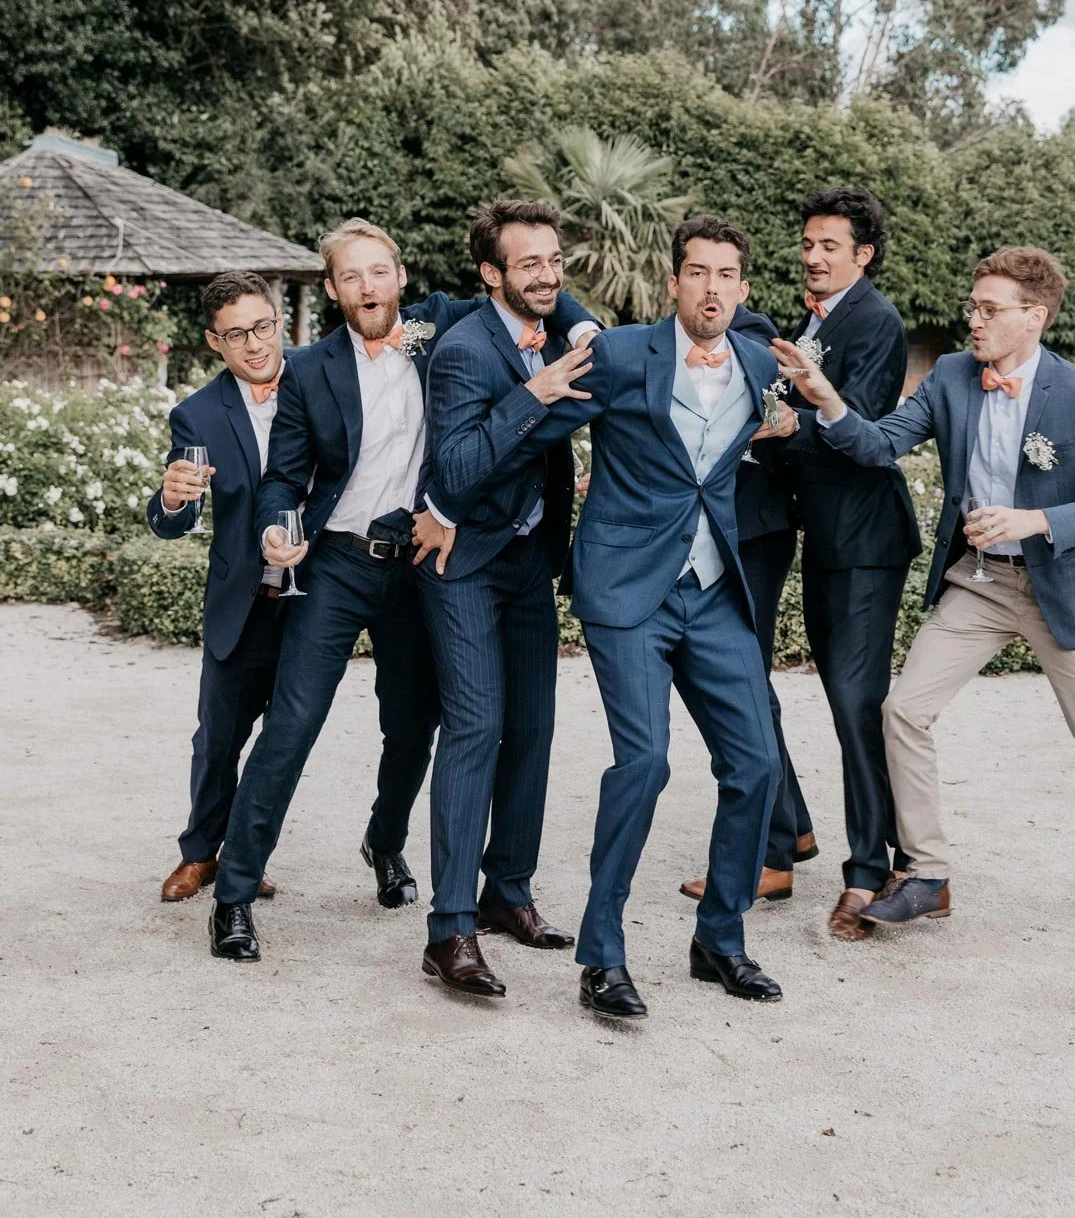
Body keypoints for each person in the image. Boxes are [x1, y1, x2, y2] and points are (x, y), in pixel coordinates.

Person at [773, 244, 1075, 959]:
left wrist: (1037, 521)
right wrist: (826, 399)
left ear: (1034, 317)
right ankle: (928, 873)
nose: (974, 319)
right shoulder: (954, 377)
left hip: (1056, 588)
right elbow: (877, 446)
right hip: (980, 583)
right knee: (903, 712)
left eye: (990, 310)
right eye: (973, 305)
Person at [208, 218, 593, 963]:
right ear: (332, 289)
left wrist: (587, 326)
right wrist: (274, 528)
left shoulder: (441, 326)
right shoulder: (310, 370)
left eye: (378, 272)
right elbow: (285, 474)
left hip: (420, 566)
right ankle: (233, 892)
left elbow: (541, 292)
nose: (367, 288)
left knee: (416, 729)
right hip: (338, 567)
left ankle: (385, 843)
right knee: (291, 726)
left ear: (401, 276)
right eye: (350, 277)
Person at [441, 214, 789, 1020]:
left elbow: (768, 435)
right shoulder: (626, 353)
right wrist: (454, 505)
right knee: (645, 763)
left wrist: (798, 421)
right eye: (696, 272)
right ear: (674, 282)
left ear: (743, 286)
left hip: (713, 591)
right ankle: (602, 957)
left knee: (757, 766)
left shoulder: (761, 360)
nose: (711, 289)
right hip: (628, 593)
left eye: (726, 275)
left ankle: (720, 941)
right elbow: (535, 428)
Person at [411, 200, 597, 997]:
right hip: (463, 561)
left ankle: (507, 891)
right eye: (530, 264)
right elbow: (452, 471)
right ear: (491, 274)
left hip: (529, 556)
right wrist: (534, 399)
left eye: (554, 259)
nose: (548, 274)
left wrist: (562, 373)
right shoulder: (462, 351)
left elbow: (585, 404)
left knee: (532, 726)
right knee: (476, 726)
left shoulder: (557, 330)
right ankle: (448, 929)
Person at [776, 187, 921, 942]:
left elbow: (853, 422)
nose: (813, 256)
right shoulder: (817, 317)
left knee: (856, 707)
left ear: (862, 255)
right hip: (827, 538)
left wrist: (771, 426)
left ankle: (872, 872)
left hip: (865, 543)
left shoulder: (879, 321)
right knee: (845, 699)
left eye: (829, 245)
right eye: (808, 243)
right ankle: (874, 852)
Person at [147, 271, 288, 905]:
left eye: (262, 327)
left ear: (278, 321)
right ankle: (199, 854)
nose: (254, 344)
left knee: (284, 741)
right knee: (218, 737)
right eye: (236, 334)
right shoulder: (198, 412)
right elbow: (179, 514)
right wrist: (170, 500)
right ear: (214, 341)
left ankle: (246, 857)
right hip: (243, 603)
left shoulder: (318, 384)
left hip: (317, 603)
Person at [678, 300, 813, 907]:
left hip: (748, 531)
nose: (709, 289)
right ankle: (795, 825)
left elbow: (773, 408)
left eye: (723, 273)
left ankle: (769, 855)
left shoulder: (745, 332)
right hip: (725, 528)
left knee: (739, 687)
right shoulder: (674, 340)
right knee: (749, 682)